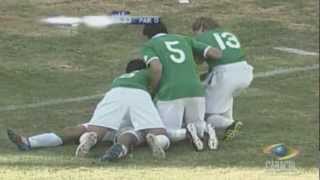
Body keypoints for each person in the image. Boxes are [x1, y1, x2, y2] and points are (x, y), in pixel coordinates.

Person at [7, 59, 170, 161]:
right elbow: (156, 71)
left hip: (114, 99)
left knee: (84, 129)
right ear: (142, 69)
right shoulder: (144, 75)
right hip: (135, 108)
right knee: (156, 132)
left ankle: (30, 142)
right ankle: (121, 150)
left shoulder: (118, 80)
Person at [141, 21, 221, 151]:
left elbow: (156, 67)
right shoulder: (184, 39)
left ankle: (186, 133)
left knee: (165, 132)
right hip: (195, 89)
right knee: (197, 124)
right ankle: (206, 129)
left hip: (170, 92)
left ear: (147, 35)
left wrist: (153, 88)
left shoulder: (149, 45)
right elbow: (215, 53)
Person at [192, 17, 254, 141]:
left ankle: (230, 124)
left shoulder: (203, 37)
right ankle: (229, 123)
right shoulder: (228, 33)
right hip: (245, 71)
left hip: (225, 74)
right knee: (226, 95)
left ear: (202, 28)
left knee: (207, 115)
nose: (195, 34)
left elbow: (197, 61)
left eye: (196, 31)